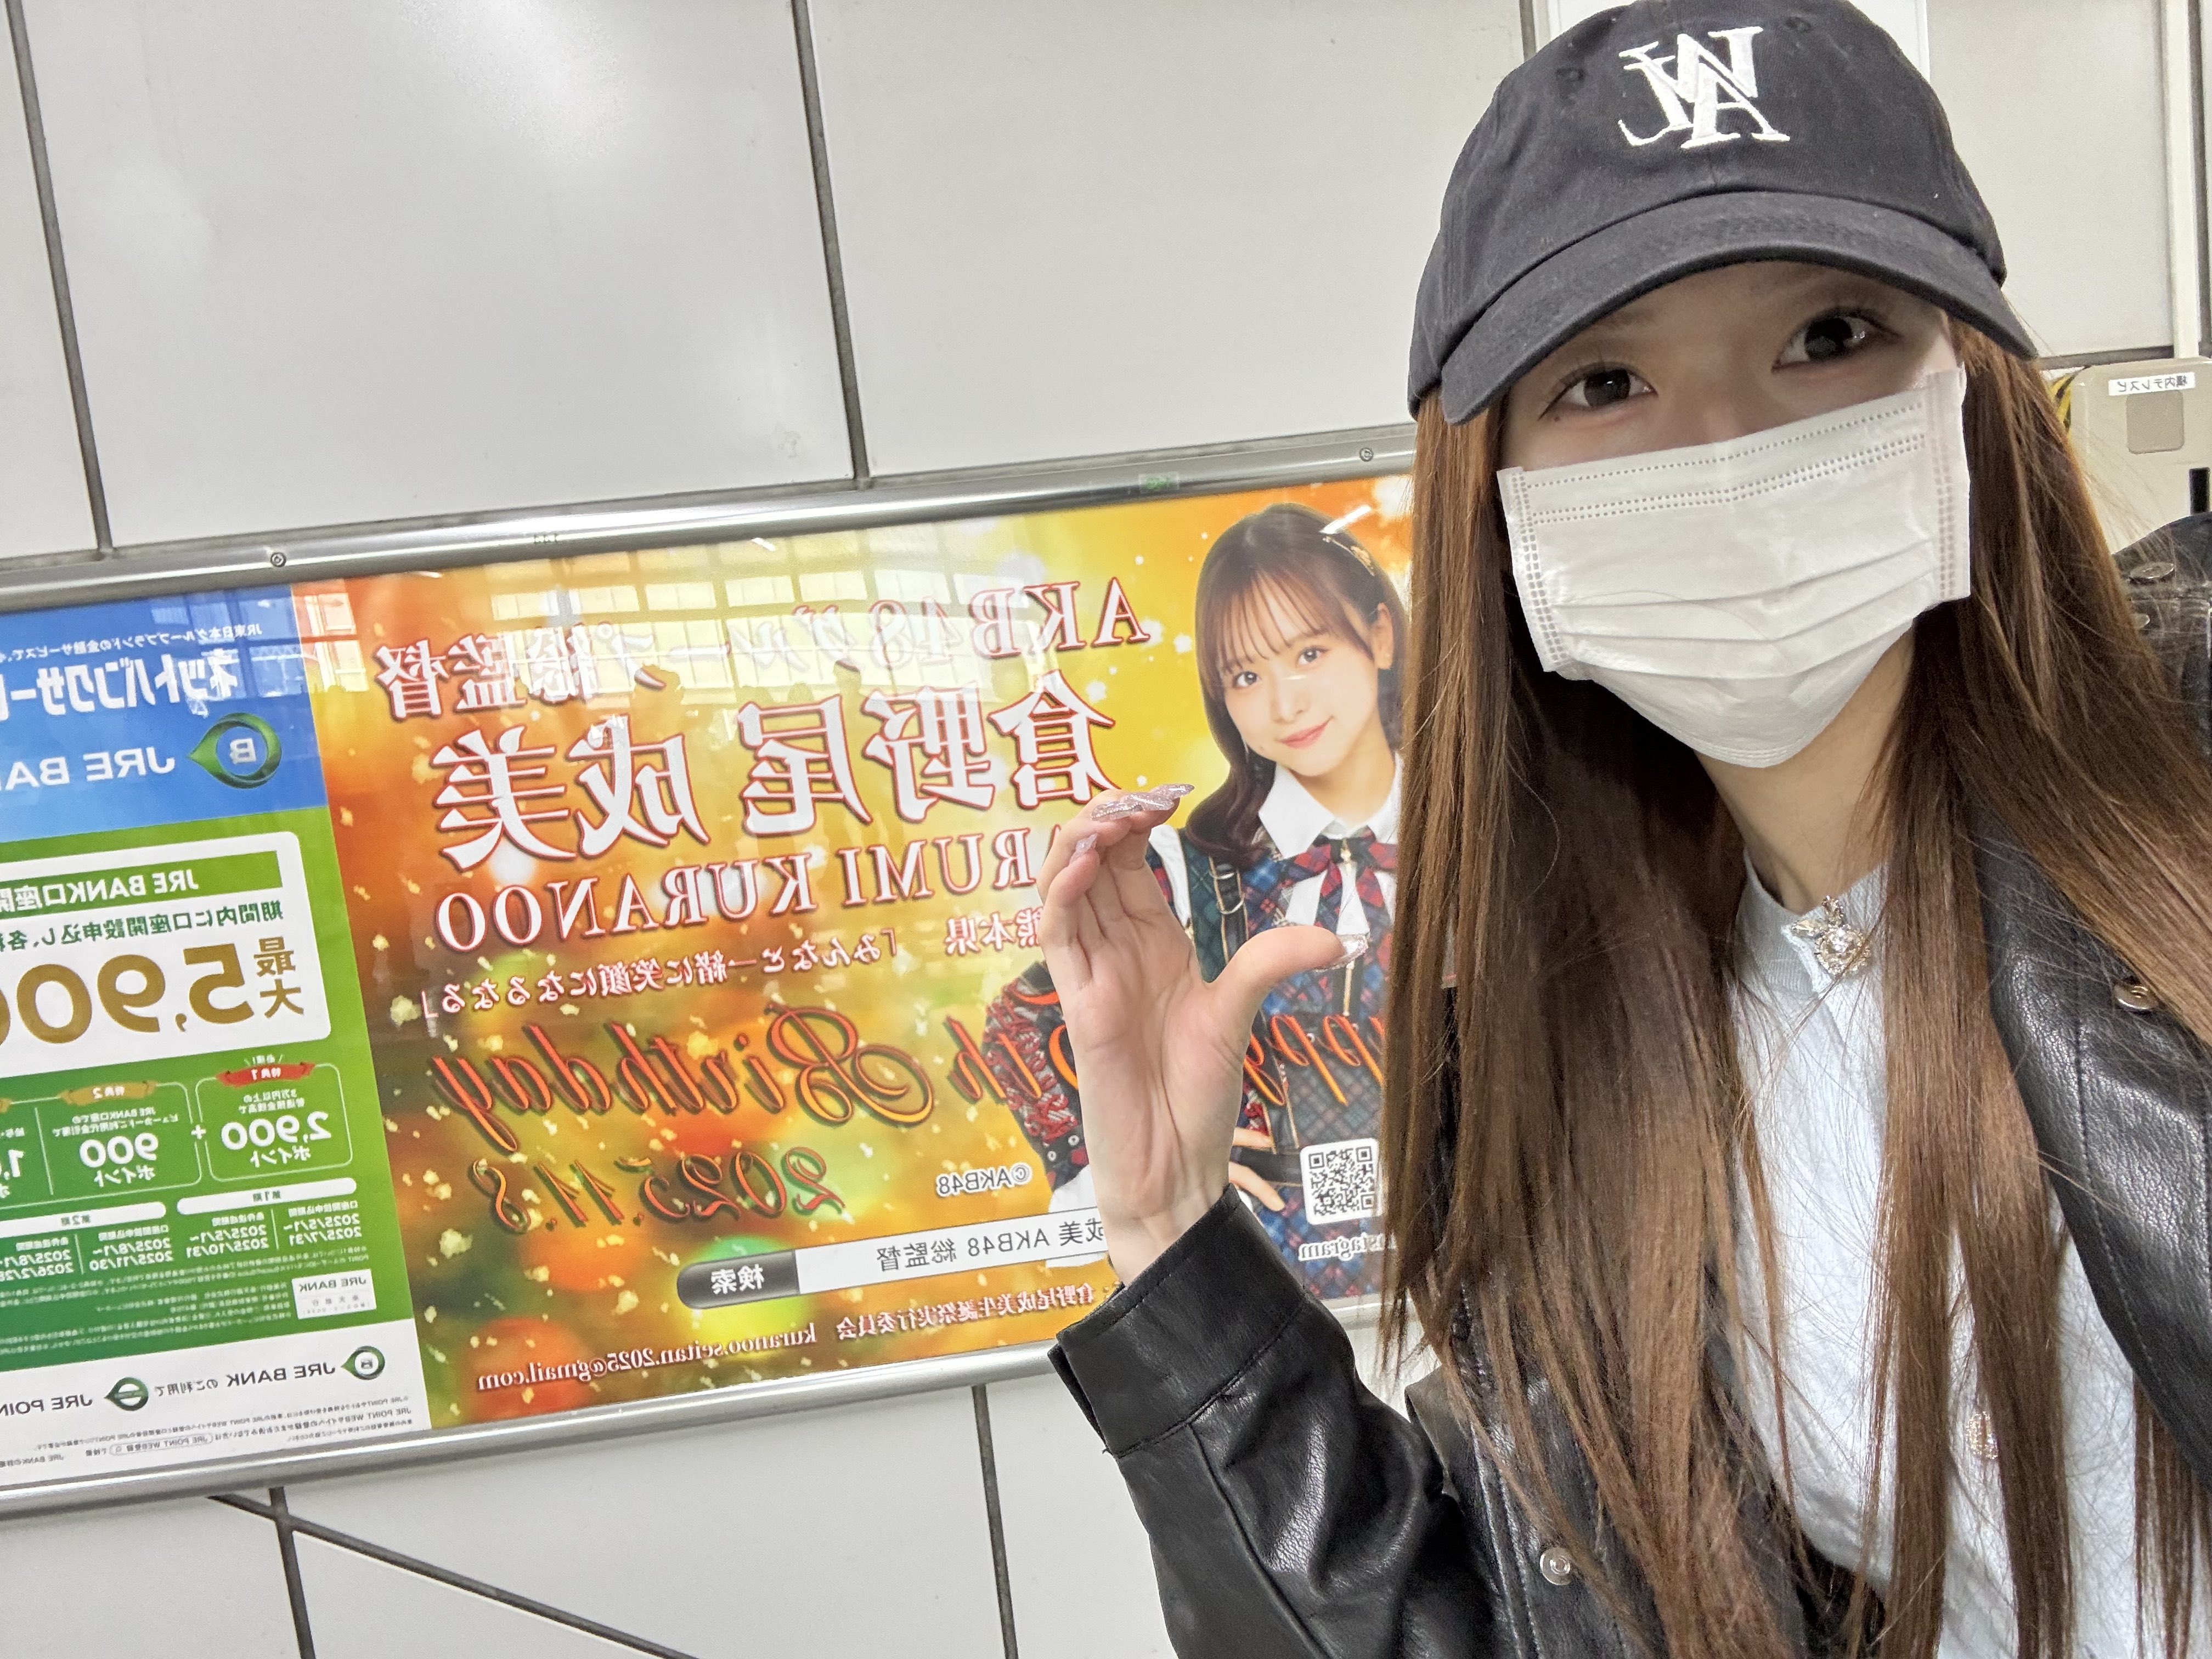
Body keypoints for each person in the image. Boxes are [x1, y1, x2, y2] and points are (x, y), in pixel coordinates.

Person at [1033, 4, 2212, 1657]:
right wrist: (1170, 1237)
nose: (1731, 450)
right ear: (1497, 493)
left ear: (1971, 385)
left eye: (1832, 334)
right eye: (1607, 380)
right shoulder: (1583, 1071)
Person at [983, 501, 1405, 1299]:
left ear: (1379, 636)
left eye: (1310, 652)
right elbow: (1016, 1026)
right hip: (1276, 1289)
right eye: (1246, 676)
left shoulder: (1484, 835)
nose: (1284, 703)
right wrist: (1155, 1175)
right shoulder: (1191, 871)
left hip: (1492, 1267)